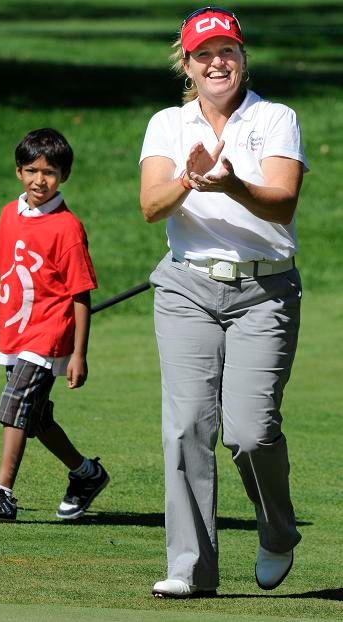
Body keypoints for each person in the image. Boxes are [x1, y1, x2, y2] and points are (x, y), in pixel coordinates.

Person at [140, 7, 308, 598]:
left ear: (243, 57)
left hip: (265, 291)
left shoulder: (275, 118)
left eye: (228, 51)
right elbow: (151, 206)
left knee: (250, 432)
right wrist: (189, 180)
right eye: (205, 54)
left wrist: (233, 182)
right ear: (187, 63)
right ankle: (189, 567)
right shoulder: (167, 124)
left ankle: (278, 530)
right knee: (186, 426)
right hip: (187, 287)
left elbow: (282, 203)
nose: (218, 62)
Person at [0, 128, 109, 523]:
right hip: (13, 332)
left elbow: (80, 295)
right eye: (31, 170)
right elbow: (0, 274)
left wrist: (79, 354)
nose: (39, 180)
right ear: (18, 172)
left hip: (47, 336)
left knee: (15, 405)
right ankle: (85, 473)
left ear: (64, 175)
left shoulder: (67, 228)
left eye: (50, 172)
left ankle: (1, 494)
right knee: (36, 417)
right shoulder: (9, 214)